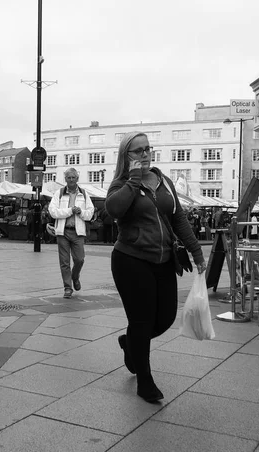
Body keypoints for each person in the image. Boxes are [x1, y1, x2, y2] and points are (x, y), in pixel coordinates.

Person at [105, 131, 206, 404]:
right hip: (131, 260)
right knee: (141, 320)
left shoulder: (163, 180)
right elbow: (113, 210)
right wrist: (133, 180)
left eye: (148, 148)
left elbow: (179, 219)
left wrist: (196, 251)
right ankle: (145, 381)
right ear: (126, 156)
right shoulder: (120, 184)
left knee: (165, 318)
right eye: (138, 150)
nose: (145, 154)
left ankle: (131, 344)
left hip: (164, 260)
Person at [48, 167, 95, 298]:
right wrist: (70, 211)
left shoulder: (84, 194)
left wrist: (81, 212)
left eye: (73, 177)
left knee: (79, 259)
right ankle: (67, 288)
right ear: (65, 179)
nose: (71, 180)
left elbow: (90, 213)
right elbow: (53, 211)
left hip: (78, 232)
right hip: (63, 232)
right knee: (64, 262)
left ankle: (75, 277)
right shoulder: (59, 193)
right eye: (69, 178)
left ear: (77, 179)